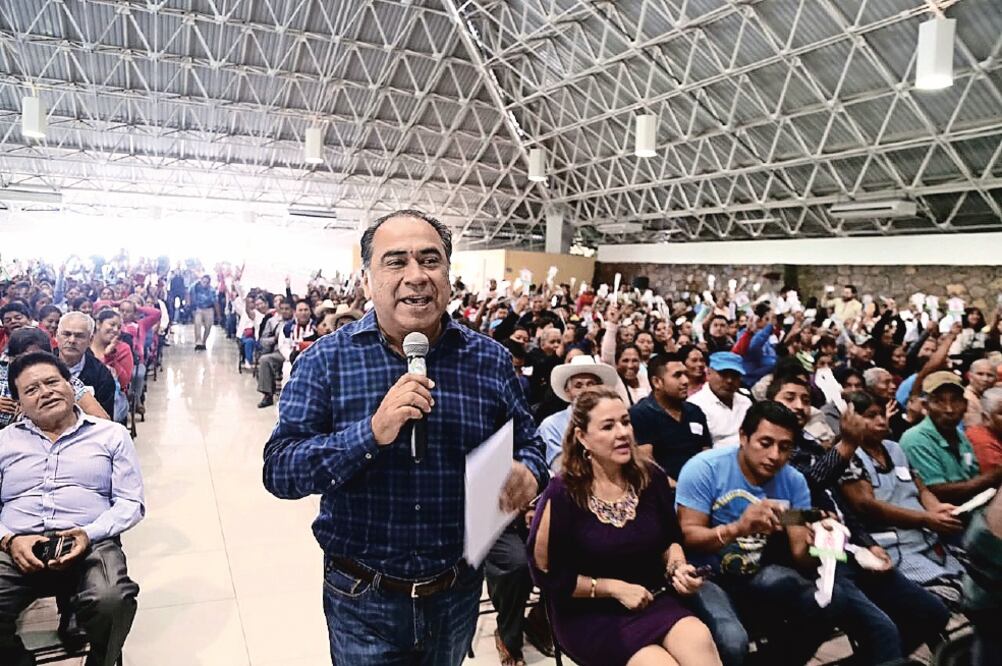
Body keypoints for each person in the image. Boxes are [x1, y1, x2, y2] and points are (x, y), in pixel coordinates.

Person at [262, 210, 547, 664]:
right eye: (396, 262)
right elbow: (280, 471)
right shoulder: (326, 361)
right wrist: (370, 433)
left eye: (430, 260)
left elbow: (529, 442)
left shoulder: (489, 360)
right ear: (367, 279)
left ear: (449, 277)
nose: (416, 276)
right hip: (361, 594)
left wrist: (529, 471)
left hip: (455, 591)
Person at [527, 386, 721, 666]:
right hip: (589, 613)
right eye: (608, 426)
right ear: (583, 437)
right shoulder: (563, 491)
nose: (622, 433)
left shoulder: (650, 477)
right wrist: (613, 588)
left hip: (651, 597)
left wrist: (678, 568)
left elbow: (670, 539)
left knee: (699, 639)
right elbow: (546, 574)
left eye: (625, 422)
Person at [0, 352, 144, 666]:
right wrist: (9, 539)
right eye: (32, 389)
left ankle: (101, 661)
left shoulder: (110, 435)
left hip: (90, 541)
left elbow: (131, 503)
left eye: (52, 382)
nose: (46, 392)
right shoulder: (4, 442)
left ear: (70, 384)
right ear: (19, 403)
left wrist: (88, 533)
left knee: (113, 600)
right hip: (16, 545)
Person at [838, 391, 965, 594]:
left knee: (978, 581)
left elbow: (921, 488)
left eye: (882, 414)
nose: (881, 421)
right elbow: (867, 505)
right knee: (952, 592)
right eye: (871, 416)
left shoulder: (894, 448)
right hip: (895, 549)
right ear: (851, 420)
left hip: (927, 540)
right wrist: (925, 518)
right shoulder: (848, 456)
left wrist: (937, 508)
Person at [901, 371, 1002, 504]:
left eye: (955, 400)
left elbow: (972, 475)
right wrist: (992, 477)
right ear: (925, 406)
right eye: (939, 401)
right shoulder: (915, 439)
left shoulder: (959, 435)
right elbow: (937, 492)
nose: (949, 409)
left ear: (965, 405)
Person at [0, 328, 109, 427]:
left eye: (36, 358)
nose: (29, 365)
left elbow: (104, 422)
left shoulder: (65, 382)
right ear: (10, 359)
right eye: (22, 358)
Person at [630, 352, 711, 484]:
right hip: (664, 492)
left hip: (701, 485)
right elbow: (647, 465)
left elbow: (706, 453)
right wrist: (680, 489)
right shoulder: (640, 414)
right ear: (657, 382)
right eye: (677, 375)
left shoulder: (695, 411)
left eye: (685, 374)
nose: (685, 381)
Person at [537, 354, 618, 473]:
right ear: (568, 391)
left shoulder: (615, 419)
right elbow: (562, 469)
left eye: (591, 384)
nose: (585, 390)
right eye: (578, 385)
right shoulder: (551, 426)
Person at [56, 313, 117, 419]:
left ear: (90, 340)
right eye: (66, 334)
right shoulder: (41, 365)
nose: (72, 340)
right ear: (56, 336)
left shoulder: (102, 375)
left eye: (79, 336)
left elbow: (105, 423)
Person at [686, 352, 752, 448]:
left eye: (735, 375)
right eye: (723, 374)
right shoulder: (695, 405)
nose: (729, 381)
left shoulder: (746, 402)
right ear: (708, 373)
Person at [257, 300, 313, 408]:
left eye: (306, 310)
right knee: (265, 360)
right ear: (296, 312)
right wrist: (291, 357)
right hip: (287, 355)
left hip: (310, 356)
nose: (303, 313)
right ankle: (267, 395)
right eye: (300, 310)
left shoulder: (315, 327)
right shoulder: (287, 327)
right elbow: (282, 345)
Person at [966, 387, 1002, 473]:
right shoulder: (981, 440)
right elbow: (995, 478)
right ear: (986, 417)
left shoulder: (996, 433)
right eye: (1001, 413)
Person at [964, 358, 997, 428]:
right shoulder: (965, 398)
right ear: (969, 376)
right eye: (980, 374)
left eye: (990, 375)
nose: (985, 379)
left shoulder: (993, 398)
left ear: (996, 379)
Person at [189, 274, 215, 350]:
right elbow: (188, 293)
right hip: (198, 308)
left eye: (207, 282)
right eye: (204, 282)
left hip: (209, 309)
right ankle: (198, 342)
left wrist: (219, 314)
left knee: (208, 326)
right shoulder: (194, 287)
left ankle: (204, 341)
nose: (205, 284)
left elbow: (215, 302)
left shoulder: (212, 290)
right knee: (197, 324)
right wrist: (189, 305)